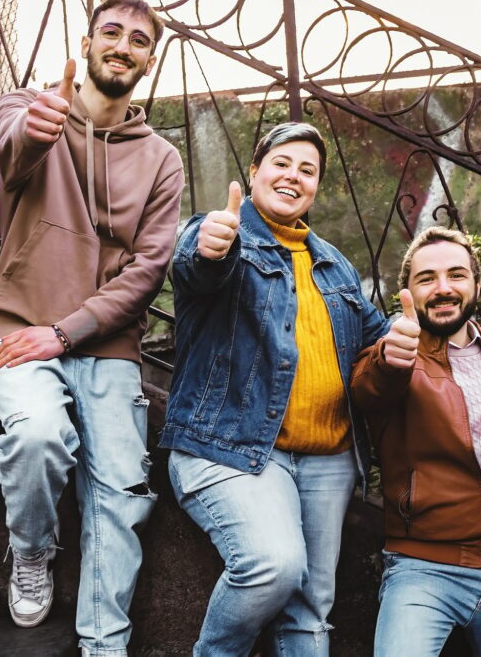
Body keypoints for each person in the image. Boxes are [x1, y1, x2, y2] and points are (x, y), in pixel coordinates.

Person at [0, 0, 183, 656]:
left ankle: (104, 643)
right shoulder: (28, 107)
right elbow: (13, 155)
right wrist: (41, 127)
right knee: (40, 437)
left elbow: (147, 271)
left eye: (138, 39)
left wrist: (65, 333)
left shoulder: (162, 160)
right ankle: (32, 549)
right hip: (21, 325)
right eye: (111, 32)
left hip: (105, 344)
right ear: (87, 41)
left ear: (150, 58)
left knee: (122, 491)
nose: (122, 45)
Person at [159, 122, 389, 656]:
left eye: (308, 170)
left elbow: (377, 338)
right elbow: (196, 264)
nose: (293, 176)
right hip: (231, 446)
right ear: (256, 171)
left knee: (311, 609)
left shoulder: (335, 265)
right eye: (282, 163)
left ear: (316, 187)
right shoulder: (223, 234)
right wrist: (213, 245)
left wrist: (408, 336)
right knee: (273, 565)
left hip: (327, 455)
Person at [350, 226, 481, 656]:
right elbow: (369, 386)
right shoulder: (393, 355)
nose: (443, 289)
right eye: (427, 279)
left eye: (456, 275)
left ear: (476, 284)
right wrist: (390, 356)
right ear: (408, 292)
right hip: (423, 568)